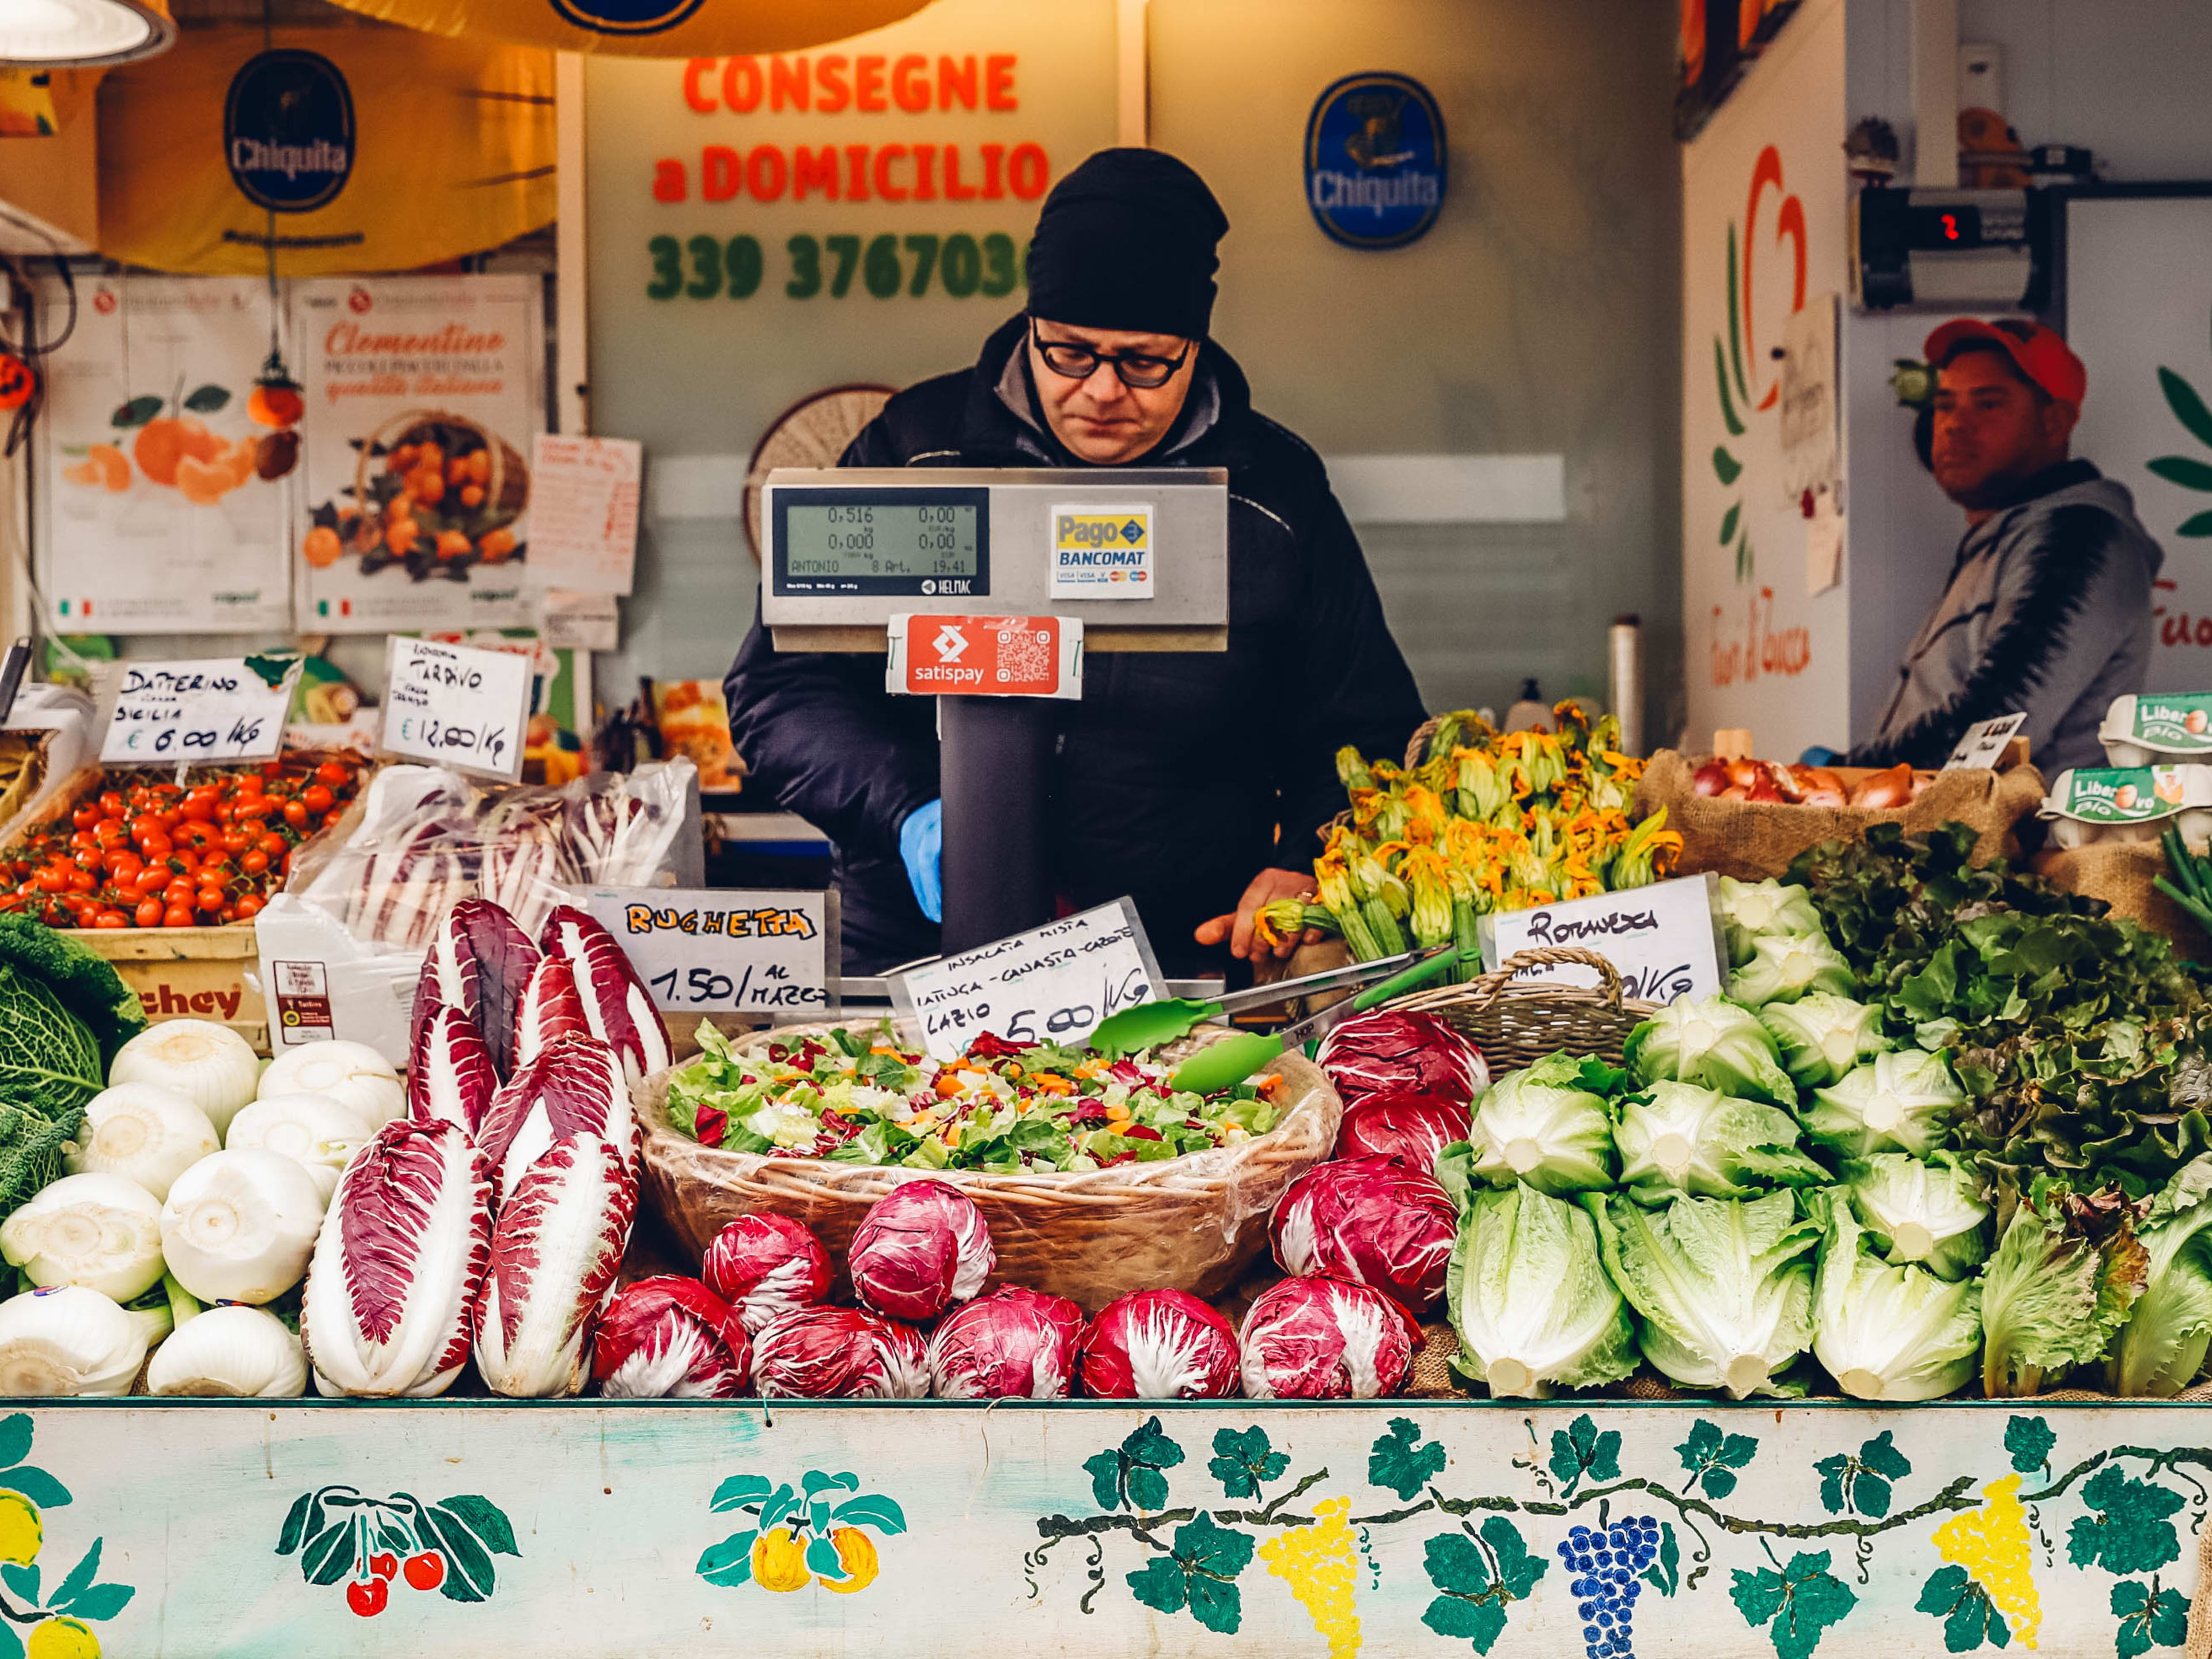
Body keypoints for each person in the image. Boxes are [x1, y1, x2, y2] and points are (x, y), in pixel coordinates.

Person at [725, 148, 1424, 976]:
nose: (1100, 390)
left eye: (1144, 361)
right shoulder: (918, 454)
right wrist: (908, 806)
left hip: (1171, 965)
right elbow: (781, 687)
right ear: (1031, 324)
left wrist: (1309, 857)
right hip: (917, 955)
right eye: (1070, 351)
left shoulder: (1272, 494)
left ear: (1197, 344)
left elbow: (1366, 730)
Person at [1853, 317, 2160, 772]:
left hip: (2029, 842)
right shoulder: (2002, 540)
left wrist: (1848, 774)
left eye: (1989, 404)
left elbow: (1997, 726)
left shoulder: (2077, 538)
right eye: (1944, 405)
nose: (1956, 425)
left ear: (2056, 423)